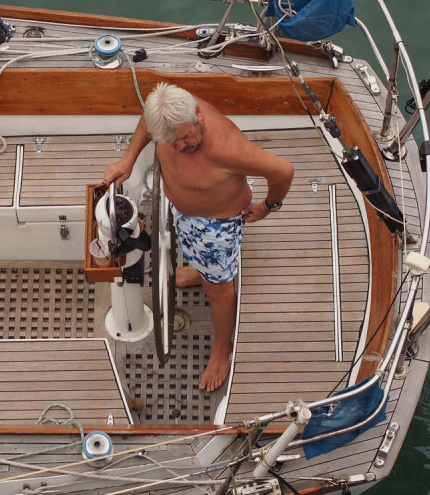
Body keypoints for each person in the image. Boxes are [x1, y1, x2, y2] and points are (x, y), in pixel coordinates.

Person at [104, 83, 294, 392]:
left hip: (215, 228)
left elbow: (283, 171)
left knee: (218, 290)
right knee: (194, 256)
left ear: (198, 115)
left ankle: (222, 348)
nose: (179, 148)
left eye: (185, 139)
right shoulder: (171, 115)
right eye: (171, 142)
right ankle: (199, 271)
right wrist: (128, 159)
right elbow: (147, 122)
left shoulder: (228, 148)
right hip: (182, 212)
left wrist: (268, 206)